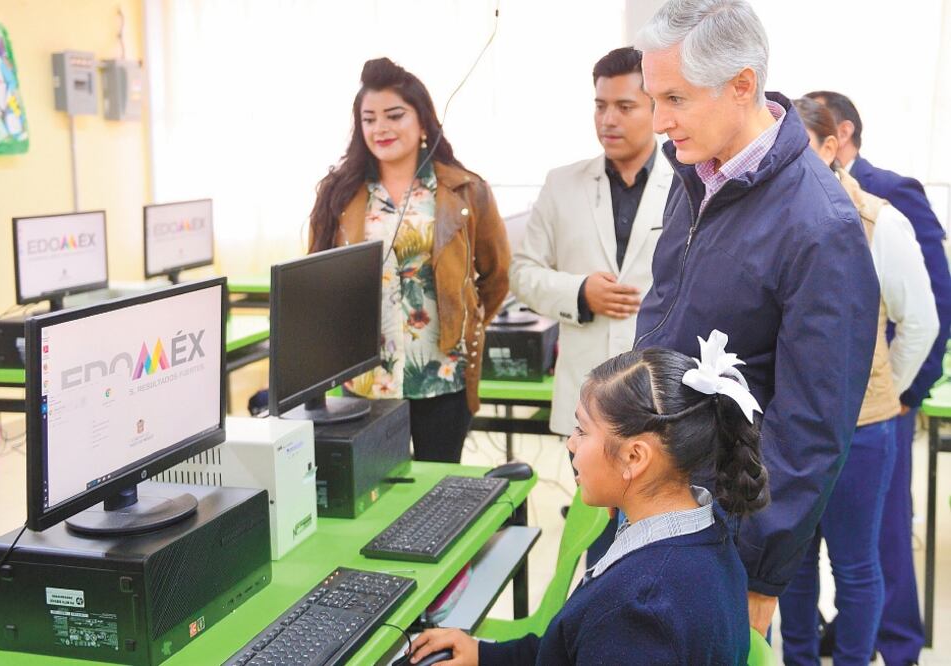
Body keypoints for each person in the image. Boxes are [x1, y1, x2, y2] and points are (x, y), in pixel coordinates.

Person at [633, 0, 879, 635]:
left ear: (742, 83)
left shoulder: (820, 225)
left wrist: (758, 571)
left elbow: (811, 428)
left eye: (675, 100)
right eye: (653, 98)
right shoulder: (696, 172)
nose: (658, 122)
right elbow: (667, 315)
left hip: (724, 531)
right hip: (661, 496)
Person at [404, 332, 768, 665]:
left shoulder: (639, 610)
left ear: (634, 457)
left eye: (582, 429)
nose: (570, 442)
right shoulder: (706, 533)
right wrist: (485, 654)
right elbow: (573, 644)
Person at [778, 97, 939, 665]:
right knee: (789, 564)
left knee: (856, 564)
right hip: (788, 428)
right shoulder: (771, 216)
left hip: (861, 429)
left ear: (832, 147)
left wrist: (885, 391)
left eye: (803, 145)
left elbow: (920, 320)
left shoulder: (877, 218)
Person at [509, 46, 674, 564]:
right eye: (600, 105)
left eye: (625, 106)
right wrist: (579, 292)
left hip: (663, 396)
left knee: (661, 538)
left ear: (655, 109)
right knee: (593, 541)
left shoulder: (687, 180)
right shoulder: (563, 183)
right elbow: (523, 273)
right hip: (591, 396)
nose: (608, 119)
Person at [307, 58, 510, 463]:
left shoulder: (466, 190)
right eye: (369, 119)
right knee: (374, 498)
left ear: (423, 122)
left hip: (442, 374)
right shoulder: (339, 193)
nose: (380, 128)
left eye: (394, 115)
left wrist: (463, 322)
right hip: (365, 379)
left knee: (438, 489)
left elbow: (496, 274)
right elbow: (317, 281)